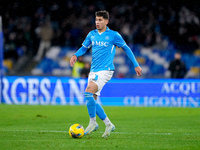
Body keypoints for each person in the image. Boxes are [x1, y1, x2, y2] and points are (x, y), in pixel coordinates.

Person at [70, 10, 142, 138]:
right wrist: (76, 55)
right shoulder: (92, 34)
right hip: (93, 71)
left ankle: (92, 123)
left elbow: (126, 48)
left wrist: (136, 64)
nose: (97, 22)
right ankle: (108, 124)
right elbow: (84, 48)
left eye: (100, 20)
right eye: (96, 20)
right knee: (92, 100)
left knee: (88, 92)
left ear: (106, 21)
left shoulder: (113, 35)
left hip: (106, 70)